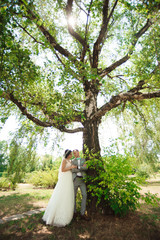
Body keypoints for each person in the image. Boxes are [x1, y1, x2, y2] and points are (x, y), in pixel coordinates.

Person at [42, 149, 77, 227]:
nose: (71, 155)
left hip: (69, 179)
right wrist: (71, 167)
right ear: (67, 154)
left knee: (67, 195)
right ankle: (56, 216)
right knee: (62, 193)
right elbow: (63, 169)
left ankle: (67, 215)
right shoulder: (64, 160)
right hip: (65, 178)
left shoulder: (70, 161)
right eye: (70, 154)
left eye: (71, 154)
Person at [72, 149, 89, 220]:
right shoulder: (72, 161)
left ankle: (82, 213)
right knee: (73, 196)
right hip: (75, 179)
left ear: (78, 152)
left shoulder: (83, 159)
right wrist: (82, 167)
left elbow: (86, 168)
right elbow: (72, 170)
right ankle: (74, 212)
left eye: (75, 153)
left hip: (82, 180)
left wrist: (78, 167)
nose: (74, 154)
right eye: (73, 153)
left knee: (84, 195)